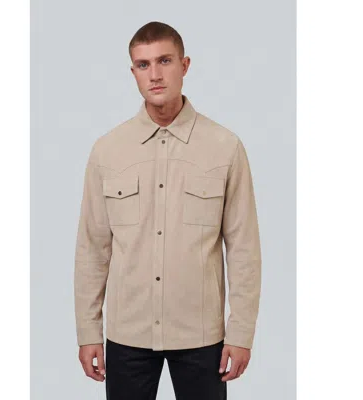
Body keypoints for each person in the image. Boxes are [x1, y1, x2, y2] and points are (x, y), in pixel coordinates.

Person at [74, 21, 262, 400]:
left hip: (201, 337)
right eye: (143, 65)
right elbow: (93, 249)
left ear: (185, 65)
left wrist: (241, 333)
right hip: (127, 335)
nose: (155, 75)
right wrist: (88, 331)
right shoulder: (107, 151)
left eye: (164, 61)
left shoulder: (225, 147)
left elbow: (243, 249)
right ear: (133, 72)